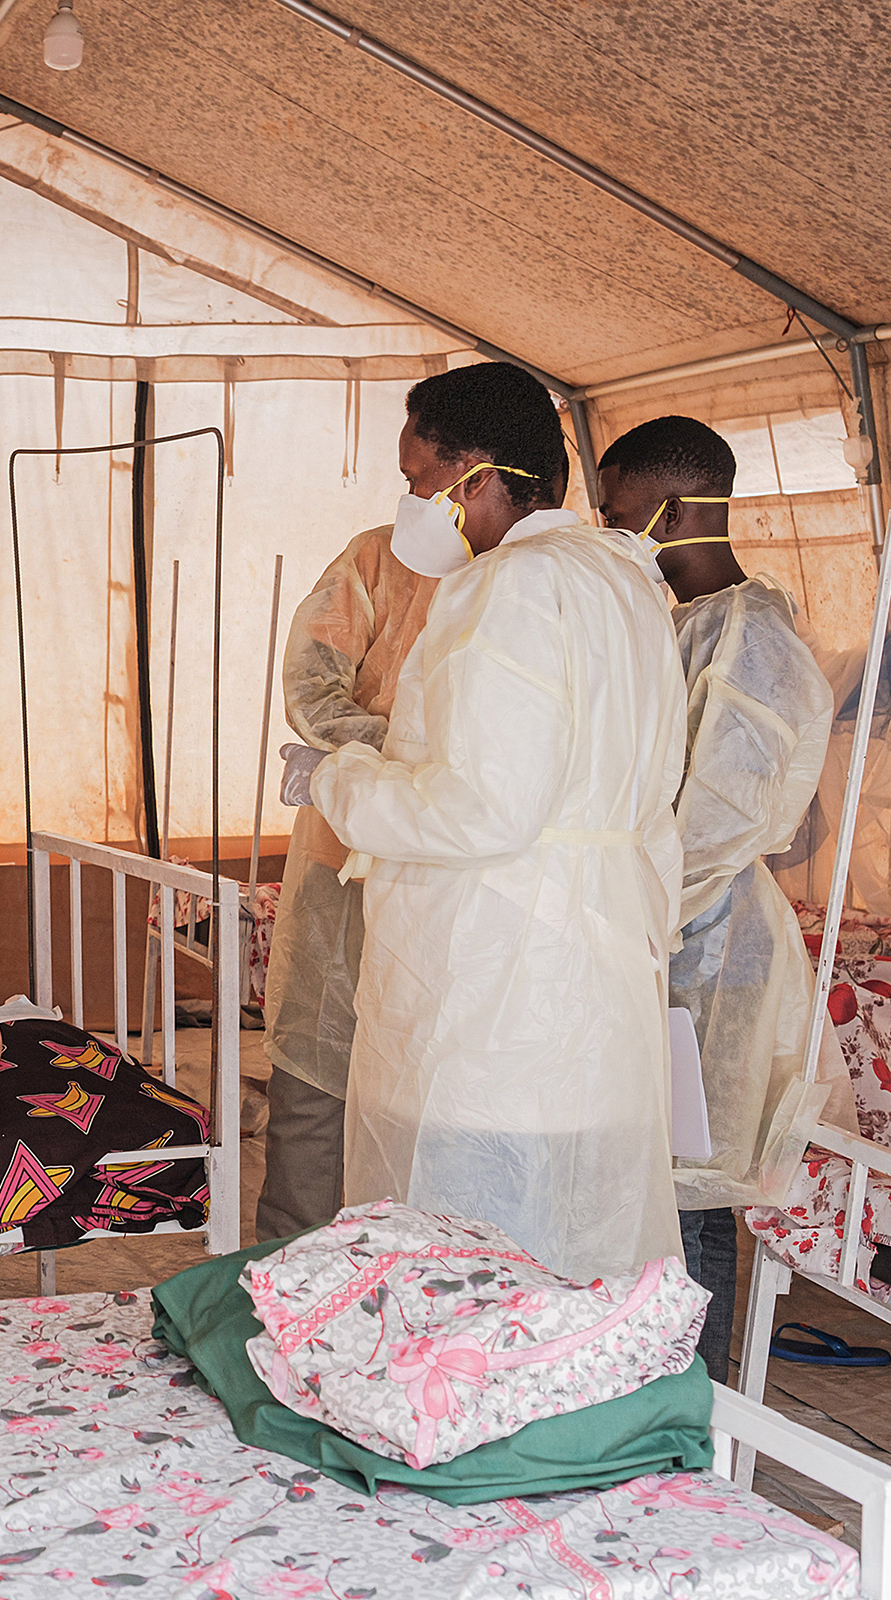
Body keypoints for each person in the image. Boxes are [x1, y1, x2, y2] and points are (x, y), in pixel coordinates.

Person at [279, 362, 691, 1283]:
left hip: (496, 984)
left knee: (471, 1257)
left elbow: (476, 812)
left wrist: (339, 778)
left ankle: (470, 1407)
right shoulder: (622, 580)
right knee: (579, 1242)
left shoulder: (505, 589)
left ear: (475, 473)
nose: (412, 502)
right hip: (590, 967)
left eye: (419, 479)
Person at [599, 415, 837, 1380]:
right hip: (657, 928)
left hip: (706, 939)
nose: (617, 534)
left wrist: (637, 910)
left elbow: (723, 820)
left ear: (677, 506)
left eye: (624, 516)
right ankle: (651, 1377)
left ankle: (691, 1395)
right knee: (651, 1179)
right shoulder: (681, 625)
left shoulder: (752, 639)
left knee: (692, 1190)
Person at [254, 528, 438, 1244]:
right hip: (348, 852)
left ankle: (416, 1286)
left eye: (427, 477)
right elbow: (312, 687)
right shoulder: (379, 560)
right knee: (317, 1074)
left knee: (432, 1088)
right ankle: (288, 1282)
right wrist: (414, 763)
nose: (421, 497)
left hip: (461, 875)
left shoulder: (541, 579)